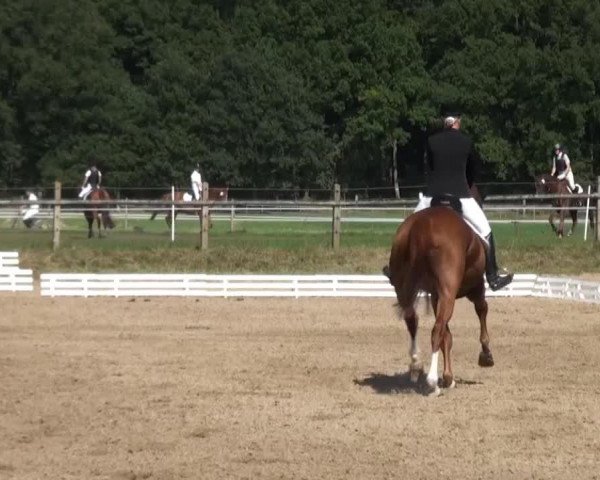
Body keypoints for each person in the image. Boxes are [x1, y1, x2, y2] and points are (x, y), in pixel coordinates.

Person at [413, 111, 513, 291]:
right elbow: (472, 170)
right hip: (461, 195)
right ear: (457, 122)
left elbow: (429, 169)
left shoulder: (432, 141)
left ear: (445, 122)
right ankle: (493, 277)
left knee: (408, 227)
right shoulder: (466, 142)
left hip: (432, 196)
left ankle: (399, 270)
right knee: (487, 232)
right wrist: (466, 183)